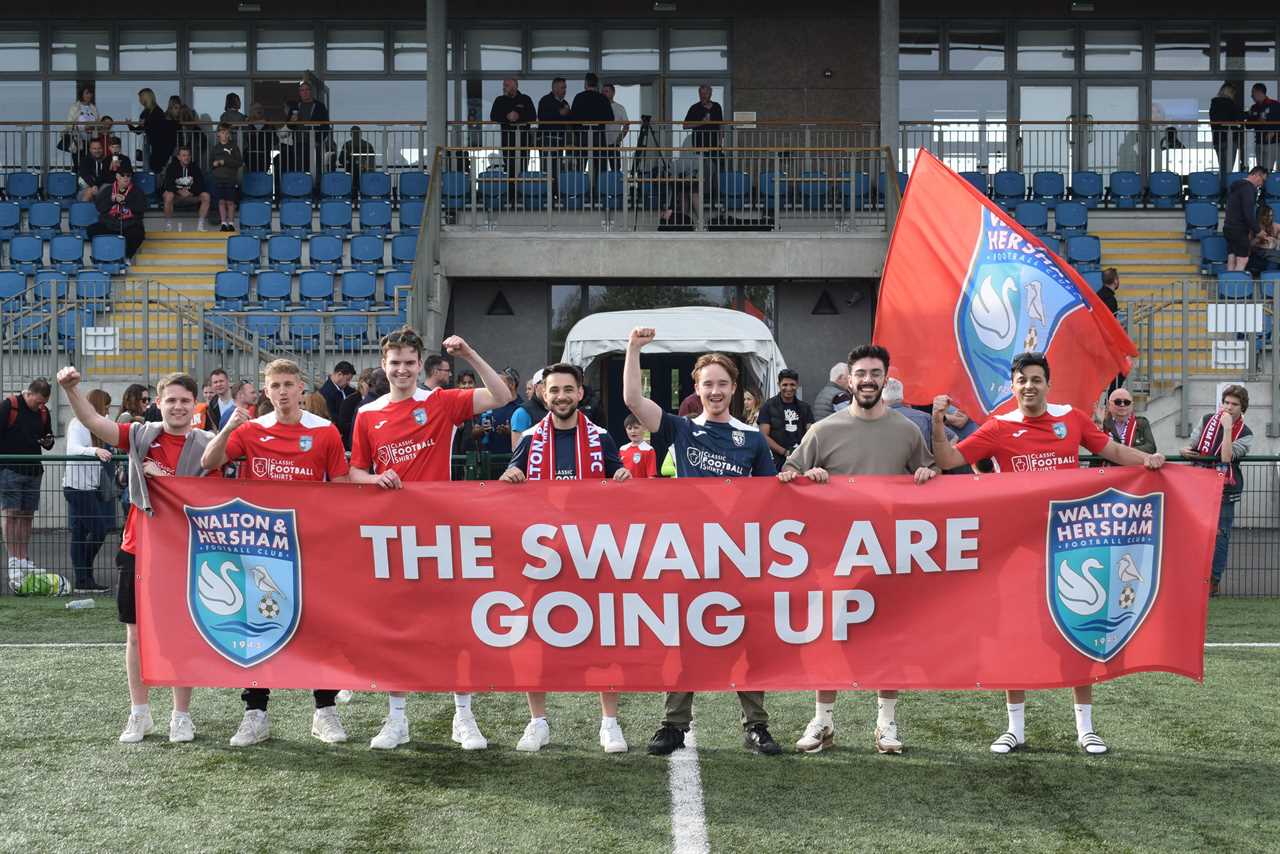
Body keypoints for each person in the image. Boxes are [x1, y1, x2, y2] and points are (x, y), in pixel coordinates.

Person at [930, 352, 1166, 756]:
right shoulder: (999, 426)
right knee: (1015, 634)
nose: (1029, 386)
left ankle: (1086, 729)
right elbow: (949, 459)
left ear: (1047, 384)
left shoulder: (1070, 418)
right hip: (1015, 550)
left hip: (1069, 547)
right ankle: (1015, 729)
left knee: (1079, 629)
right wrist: (936, 422)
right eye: (1022, 380)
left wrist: (1147, 458)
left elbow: (1110, 450)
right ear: (1013, 384)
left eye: (1036, 380)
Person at [348, 327, 513, 751]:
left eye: (408, 362)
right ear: (384, 367)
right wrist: (373, 478)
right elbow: (355, 471)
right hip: (391, 535)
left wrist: (471, 352)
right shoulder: (369, 413)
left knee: (452, 625)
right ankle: (397, 719)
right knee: (396, 627)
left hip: (441, 530)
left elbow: (501, 396)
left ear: (419, 365)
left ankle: (464, 716)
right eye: (394, 363)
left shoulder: (438, 402)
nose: (402, 370)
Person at [622, 327, 781, 757]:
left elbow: (770, 495)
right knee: (684, 636)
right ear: (696, 388)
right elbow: (634, 402)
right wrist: (634, 348)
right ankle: (674, 724)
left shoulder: (750, 439)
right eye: (707, 383)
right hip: (689, 555)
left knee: (746, 638)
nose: (715, 391)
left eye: (722, 384)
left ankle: (757, 726)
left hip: (738, 555)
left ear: (734, 389)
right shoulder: (680, 429)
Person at [782, 346, 939, 756]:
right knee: (831, 636)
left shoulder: (907, 430)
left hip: (889, 555)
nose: (868, 380)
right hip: (836, 554)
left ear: (885, 378)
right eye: (861, 374)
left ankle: (886, 722)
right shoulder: (823, 431)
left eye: (875, 373)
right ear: (848, 380)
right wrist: (805, 477)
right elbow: (787, 476)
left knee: (890, 639)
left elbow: (932, 473)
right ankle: (823, 720)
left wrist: (928, 472)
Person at [57, 366, 218, 744]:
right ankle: (139, 713)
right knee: (135, 635)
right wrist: (70, 390)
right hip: (138, 548)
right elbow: (94, 419)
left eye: (184, 401)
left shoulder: (209, 443)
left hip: (185, 550)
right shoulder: (140, 435)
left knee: (182, 633)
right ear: (159, 403)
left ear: (194, 405)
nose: (177, 407)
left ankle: (181, 716)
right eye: (171, 400)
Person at [201, 359, 351, 747]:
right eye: (275, 385)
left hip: (312, 546)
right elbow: (209, 463)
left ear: (302, 388)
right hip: (261, 547)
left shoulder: (325, 432)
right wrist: (228, 429)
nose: (283, 391)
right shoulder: (250, 431)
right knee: (259, 629)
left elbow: (341, 486)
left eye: (289, 384)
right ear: (265, 392)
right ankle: (255, 714)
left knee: (320, 627)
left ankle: (324, 711)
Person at [498, 363, 630, 752]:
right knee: (536, 636)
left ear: (580, 393)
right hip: (544, 556)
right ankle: (538, 721)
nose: (560, 397)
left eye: (567, 390)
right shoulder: (531, 437)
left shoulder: (602, 437)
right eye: (553, 390)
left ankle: (609, 723)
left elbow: (620, 479)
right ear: (543, 394)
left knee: (605, 637)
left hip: (594, 554)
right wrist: (510, 478)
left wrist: (621, 477)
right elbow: (511, 477)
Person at [1183, 385, 1252, 598]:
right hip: (1199, 484)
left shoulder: (1247, 433)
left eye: (1234, 404)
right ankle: (1192, 577)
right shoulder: (1206, 420)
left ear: (1243, 408)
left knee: (1220, 535)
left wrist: (1228, 429)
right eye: (1227, 403)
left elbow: (1225, 457)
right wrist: (1185, 452)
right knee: (1194, 532)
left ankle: (1213, 581)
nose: (1229, 408)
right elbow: (1191, 446)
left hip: (1225, 489)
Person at [0, 379, 56, 589]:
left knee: (27, 515)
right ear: (29, 394)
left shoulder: (43, 413)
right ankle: (13, 559)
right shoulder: (9, 405)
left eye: (44, 403)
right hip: (9, 469)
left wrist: (48, 441)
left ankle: (23, 559)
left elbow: (47, 438)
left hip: (33, 470)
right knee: (10, 513)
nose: (41, 406)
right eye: (38, 402)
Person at [63, 388, 115, 593]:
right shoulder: (78, 423)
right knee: (99, 530)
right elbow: (72, 448)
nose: (108, 411)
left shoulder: (96, 425)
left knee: (80, 532)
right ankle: (84, 575)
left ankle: (84, 579)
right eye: (107, 407)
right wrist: (95, 450)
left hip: (88, 487)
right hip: (77, 487)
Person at [758, 369, 815, 470]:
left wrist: (801, 452)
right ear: (778, 385)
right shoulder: (768, 406)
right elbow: (763, 436)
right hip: (775, 461)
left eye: (792, 384)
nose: (788, 388)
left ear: (797, 385)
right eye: (785, 384)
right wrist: (784, 452)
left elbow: (811, 432)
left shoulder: (805, 407)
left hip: (800, 460)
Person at [89, 161, 147, 259]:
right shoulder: (108, 190)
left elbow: (141, 208)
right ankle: (102, 255)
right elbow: (100, 208)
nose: (125, 178)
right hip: (110, 224)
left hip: (129, 224)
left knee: (138, 234)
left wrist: (126, 200)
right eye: (122, 175)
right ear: (117, 176)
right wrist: (112, 199)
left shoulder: (137, 191)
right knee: (92, 229)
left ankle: (126, 257)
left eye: (128, 176)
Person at [882, 377, 954, 453]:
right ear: (902, 395)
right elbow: (953, 438)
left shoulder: (875, 422)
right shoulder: (924, 417)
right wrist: (938, 461)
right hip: (928, 463)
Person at [490, 79, 536, 190]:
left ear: (514, 87)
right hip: (508, 140)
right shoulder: (499, 100)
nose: (504, 87)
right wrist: (507, 117)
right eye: (504, 85)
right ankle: (511, 194)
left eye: (506, 85)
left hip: (524, 140)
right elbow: (493, 116)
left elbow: (533, 116)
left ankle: (523, 192)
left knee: (524, 165)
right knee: (509, 166)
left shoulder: (525, 99)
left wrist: (518, 116)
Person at [570, 73, 614, 189]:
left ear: (586, 84)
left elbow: (572, 119)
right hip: (598, 137)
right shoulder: (603, 98)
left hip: (582, 136)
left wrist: (577, 130)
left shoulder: (579, 97)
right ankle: (600, 192)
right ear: (597, 84)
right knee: (600, 166)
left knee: (580, 166)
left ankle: (579, 192)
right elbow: (610, 118)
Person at [683, 85, 724, 199]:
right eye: (701, 93)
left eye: (705, 93)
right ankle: (703, 196)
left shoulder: (717, 107)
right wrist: (701, 123)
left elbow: (720, 125)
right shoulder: (694, 108)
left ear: (710, 94)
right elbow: (685, 125)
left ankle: (716, 197)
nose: (703, 96)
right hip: (699, 146)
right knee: (704, 170)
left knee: (718, 170)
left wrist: (721, 142)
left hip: (715, 146)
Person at [1224, 166, 1266, 271]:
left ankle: (1228, 285)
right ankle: (1236, 286)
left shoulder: (1236, 186)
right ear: (1256, 175)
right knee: (1242, 260)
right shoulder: (1248, 189)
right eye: (1262, 180)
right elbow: (1248, 214)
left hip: (1228, 227)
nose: (1261, 184)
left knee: (1232, 258)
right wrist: (1258, 230)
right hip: (1239, 229)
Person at [161, 145, 212, 231]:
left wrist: (191, 192)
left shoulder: (195, 168)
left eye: (188, 155)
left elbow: (201, 185)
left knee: (206, 196)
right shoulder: (172, 167)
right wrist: (179, 191)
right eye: (184, 155)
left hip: (191, 196)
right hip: (177, 197)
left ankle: (200, 225)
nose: (186, 157)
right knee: (168, 195)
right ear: (179, 157)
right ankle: (168, 225)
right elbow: (167, 184)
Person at [286, 81, 331, 177]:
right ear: (299, 93)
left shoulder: (319, 106)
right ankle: (302, 189)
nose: (305, 92)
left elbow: (326, 125)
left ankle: (316, 189)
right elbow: (289, 125)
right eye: (302, 90)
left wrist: (318, 140)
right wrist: (292, 121)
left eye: (307, 90)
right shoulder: (295, 106)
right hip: (298, 142)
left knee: (316, 168)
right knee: (300, 168)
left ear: (311, 91)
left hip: (315, 143)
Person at [537, 78, 572, 200]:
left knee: (557, 167)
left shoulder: (565, 103)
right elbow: (542, 117)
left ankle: (556, 192)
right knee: (547, 167)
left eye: (565, 87)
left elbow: (570, 120)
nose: (565, 90)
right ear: (555, 88)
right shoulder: (545, 100)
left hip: (559, 140)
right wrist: (560, 113)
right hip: (547, 139)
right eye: (563, 87)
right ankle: (547, 194)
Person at [1099, 388, 1156, 457]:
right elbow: (1095, 448)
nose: (1122, 405)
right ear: (1109, 405)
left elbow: (1151, 448)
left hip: (1133, 466)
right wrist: (1099, 426)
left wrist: (1123, 452)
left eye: (1127, 402)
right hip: (1108, 467)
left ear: (1132, 405)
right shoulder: (1103, 423)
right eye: (1118, 402)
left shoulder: (1142, 423)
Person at [131, 88, 176, 174]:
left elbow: (157, 127)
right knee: (150, 167)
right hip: (151, 144)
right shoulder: (146, 112)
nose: (139, 100)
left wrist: (144, 124)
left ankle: (156, 185)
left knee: (155, 167)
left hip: (158, 145)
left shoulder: (157, 112)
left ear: (146, 97)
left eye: (141, 97)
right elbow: (140, 130)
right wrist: (130, 125)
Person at [209, 124, 243, 233]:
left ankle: (231, 224)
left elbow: (239, 162)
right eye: (222, 132)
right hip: (218, 179)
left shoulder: (233, 147)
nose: (225, 135)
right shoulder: (215, 148)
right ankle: (223, 223)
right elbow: (210, 164)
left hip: (230, 178)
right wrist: (214, 164)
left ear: (229, 135)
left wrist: (225, 162)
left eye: (227, 133)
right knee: (221, 202)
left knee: (231, 202)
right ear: (218, 134)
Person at [1211, 83, 1244, 186]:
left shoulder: (1214, 103)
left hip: (1218, 139)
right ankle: (1226, 189)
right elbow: (1238, 117)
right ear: (1230, 93)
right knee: (1228, 168)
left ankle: (1222, 188)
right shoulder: (1231, 104)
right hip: (1230, 138)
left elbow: (1214, 119)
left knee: (1223, 167)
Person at [509, 368, 548, 448]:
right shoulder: (522, 412)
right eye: (545, 383)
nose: (550, 387)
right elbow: (517, 449)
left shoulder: (557, 410)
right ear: (536, 387)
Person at [1248, 83, 1280, 172]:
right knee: (1260, 169)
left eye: (1253, 92)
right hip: (1258, 141)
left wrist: (1273, 131)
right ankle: (1262, 186)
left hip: (1272, 142)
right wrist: (1257, 120)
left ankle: (1269, 185)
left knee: (1267, 169)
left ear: (1259, 92)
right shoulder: (1254, 107)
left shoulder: (1275, 105)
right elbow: (1248, 125)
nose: (1251, 96)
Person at [63, 86, 98, 162]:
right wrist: (83, 127)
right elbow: (69, 123)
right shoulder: (75, 107)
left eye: (90, 93)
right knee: (78, 162)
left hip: (91, 139)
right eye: (87, 93)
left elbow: (97, 122)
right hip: (78, 139)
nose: (89, 95)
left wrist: (93, 127)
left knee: (90, 161)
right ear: (81, 94)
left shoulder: (93, 107)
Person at [620, 413, 658, 478]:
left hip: (641, 487)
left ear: (644, 428)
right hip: (625, 487)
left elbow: (651, 477)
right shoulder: (622, 449)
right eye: (629, 428)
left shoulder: (649, 450)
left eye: (636, 428)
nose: (633, 431)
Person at [603, 83, 628, 174]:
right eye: (603, 92)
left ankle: (616, 187)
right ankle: (599, 187)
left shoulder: (619, 108)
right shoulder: (598, 108)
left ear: (613, 93)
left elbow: (626, 125)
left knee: (616, 168)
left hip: (614, 143)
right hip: (601, 143)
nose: (604, 93)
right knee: (600, 169)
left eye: (606, 91)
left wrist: (619, 139)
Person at [242, 103, 274, 174]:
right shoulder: (246, 124)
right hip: (250, 155)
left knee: (263, 175)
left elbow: (274, 138)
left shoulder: (269, 123)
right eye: (256, 108)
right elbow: (243, 138)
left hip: (265, 155)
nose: (259, 110)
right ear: (251, 111)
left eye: (261, 108)